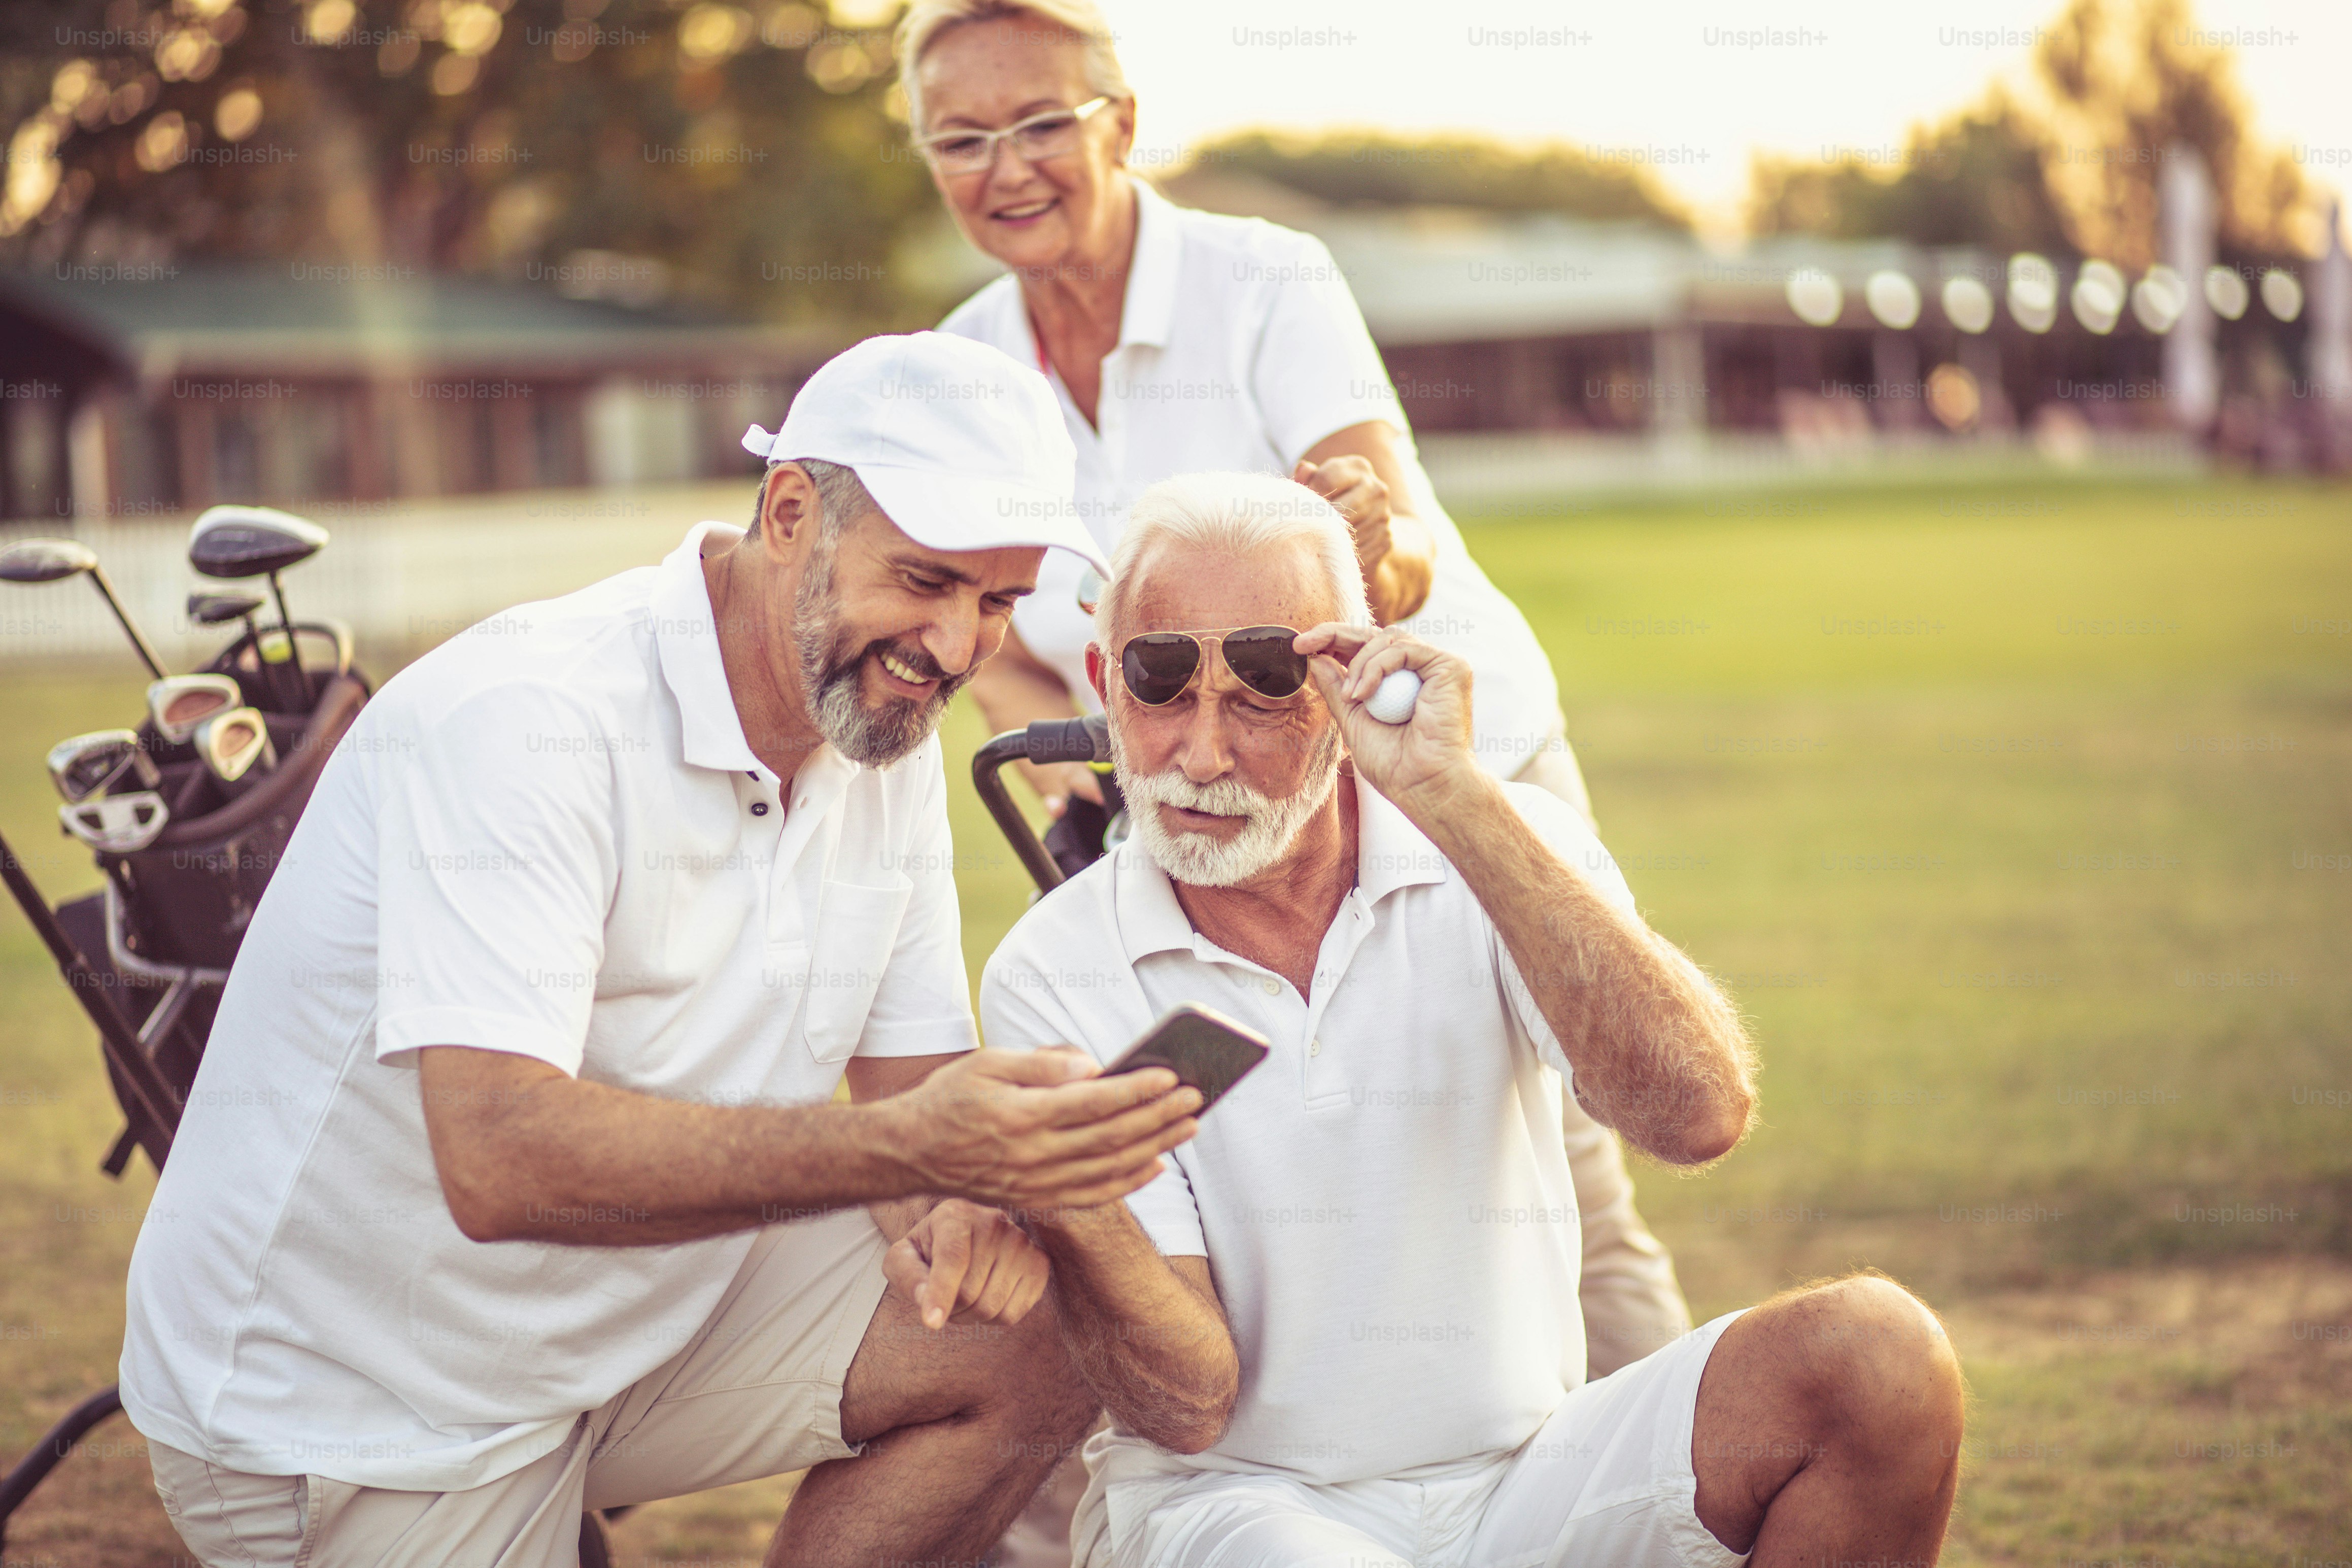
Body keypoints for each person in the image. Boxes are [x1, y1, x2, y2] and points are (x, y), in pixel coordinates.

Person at [116, 332, 1205, 1568]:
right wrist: (915, 1147)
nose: (957, 647)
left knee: (1058, 1320)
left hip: (632, 1332)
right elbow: (499, 1160)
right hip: (357, 1412)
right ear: (790, 510)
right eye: (925, 580)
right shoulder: (526, 719)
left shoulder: (874, 723)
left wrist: (954, 1199)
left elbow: (913, 1091)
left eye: (998, 602)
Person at [899, 0, 1687, 1396]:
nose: (1003, 169)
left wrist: (1352, 537)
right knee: (1241, 1170)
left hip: (1442, 760)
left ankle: (1668, 1496)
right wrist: (1093, 764)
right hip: (1210, 802)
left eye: (1039, 126)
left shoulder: (1262, 278)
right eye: (960, 140)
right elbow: (989, 626)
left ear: (1121, 127)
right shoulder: (961, 362)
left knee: (1549, 1166)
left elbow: (1397, 535)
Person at [980, 472, 1967, 1568]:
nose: (1201, 753)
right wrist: (1068, 1204)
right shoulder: (1051, 970)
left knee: (1879, 1359)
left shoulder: (1499, 833)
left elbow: (1698, 1115)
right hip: (1244, 1506)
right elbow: (1187, 1404)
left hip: (1535, 1474)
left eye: (1262, 684)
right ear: (1098, 682)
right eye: (1158, 684)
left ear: (1353, 675)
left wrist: (1454, 799)